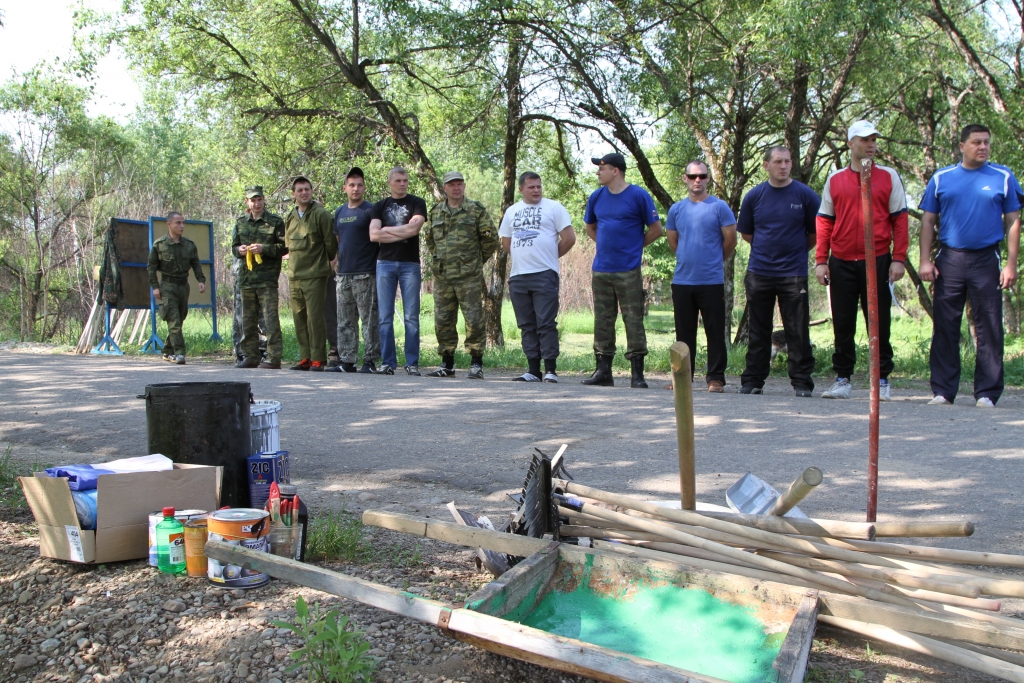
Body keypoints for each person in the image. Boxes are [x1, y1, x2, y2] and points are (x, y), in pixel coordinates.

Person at [919, 124, 1021, 407]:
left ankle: (987, 393)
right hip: (950, 258)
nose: (983, 147)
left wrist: (1011, 265)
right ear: (962, 146)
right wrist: (925, 259)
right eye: (976, 142)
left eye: (987, 142)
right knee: (945, 325)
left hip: (986, 258)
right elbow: (928, 221)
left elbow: (1013, 221)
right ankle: (942, 391)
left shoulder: (1003, 176)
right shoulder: (942, 178)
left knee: (989, 324)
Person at [815, 120, 908, 401]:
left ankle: (881, 380)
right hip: (841, 260)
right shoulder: (835, 179)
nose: (871, 145)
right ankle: (843, 379)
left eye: (874, 140)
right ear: (851, 143)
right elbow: (824, 221)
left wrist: (899, 259)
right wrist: (821, 260)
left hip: (877, 258)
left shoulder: (889, 176)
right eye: (865, 140)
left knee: (878, 322)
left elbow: (900, 220)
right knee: (843, 322)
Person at [738, 147, 820, 397]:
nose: (783, 166)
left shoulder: (806, 195)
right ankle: (753, 381)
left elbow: (814, 234)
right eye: (777, 161)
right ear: (766, 165)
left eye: (787, 161)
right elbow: (747, 234)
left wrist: (792, 254)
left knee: (797, 329)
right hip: (759, 272)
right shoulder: (754, 196)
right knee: (758, 330)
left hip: (793, 274)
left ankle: (802, 383)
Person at [581, 153, 663, 388]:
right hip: (601, 270)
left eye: (602, 168)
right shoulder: (596, 196)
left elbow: (656, 229)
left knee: (633, 320)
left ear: (615, 170)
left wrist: (633, 247)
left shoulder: (638, 195)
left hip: (628, 270)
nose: (598, 172)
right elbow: (590, 227)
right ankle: (603, 371)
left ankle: (637, 374)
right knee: (603, 321)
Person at [666, 161, 738, 393]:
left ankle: (715, 378)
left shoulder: (719, 207)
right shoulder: (676, 209)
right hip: (683, 281)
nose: (697, 180)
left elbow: (731, 240)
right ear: (685, 178)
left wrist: (714, 259)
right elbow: (673, 242)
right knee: (683, 334)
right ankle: (682, 378)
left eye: (702, 176)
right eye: (693, 176)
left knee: (715, 331)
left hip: (712, 280)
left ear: (708, 179)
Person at [500, 172, 576, 382]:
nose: (536, 190)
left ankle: (550, 370)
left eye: (539, 186)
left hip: (544, 275)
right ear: (521, 189)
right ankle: (533, 370)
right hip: (519, 276)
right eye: (531, 187)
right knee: (526, 324)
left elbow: (569, 238)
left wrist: (549, 256)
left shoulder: (554, 208)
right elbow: (506, 242)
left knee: (546, 323)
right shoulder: (512, 211)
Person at [423, 171, 499, 379]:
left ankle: (476, 363)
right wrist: (440, 259)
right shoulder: (436, 212)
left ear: (464, 186)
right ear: (445, 188)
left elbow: (491, 240)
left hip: (468, 277)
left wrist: (474, 262)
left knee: (474, 319)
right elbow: (430, 240)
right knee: (443, 320)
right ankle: (447, 364)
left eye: (460, 184)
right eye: (452, 184)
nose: (456, 188)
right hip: (443, 276)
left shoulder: (475, 210)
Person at [370, 166, 427, 375]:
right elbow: (374, 235)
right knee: (385, 316)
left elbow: (414, 229)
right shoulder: (379, 206)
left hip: (409, 264)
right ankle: (388, 362)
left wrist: (386, 230)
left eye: (405, 180)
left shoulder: (417, 203)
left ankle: (412, 363)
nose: (402, 183)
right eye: (398, 180)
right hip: (385, 264)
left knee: (411, 316)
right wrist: (400, 233)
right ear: (390, 182)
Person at [326, 167, 381, 374]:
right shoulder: (340, 212)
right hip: (344, 274)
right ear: (345, 188)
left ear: (364, 187)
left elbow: (377, 240)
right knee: (345, 320)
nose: (355, 189)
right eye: (351, 185)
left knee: (369, 320)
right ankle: (347, 361)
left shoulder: (370, 210)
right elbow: (339, 241)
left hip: (365, 273)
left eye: (359, 185)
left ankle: (370, 361)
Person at [284, 175, 337, 371]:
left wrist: (327, 262)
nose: (304, 192)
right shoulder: (291, 216)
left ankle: (318, 358)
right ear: (294, 194)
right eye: (300, 190)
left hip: (315, 274)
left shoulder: (321, 214)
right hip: (295, 275)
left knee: (315, 318)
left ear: (312, 191)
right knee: (299, 317)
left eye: (307, 189)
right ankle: (305, 357)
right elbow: (288, 245)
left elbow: (330, 244)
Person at [231, 185, 287, 369]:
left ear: (264, 200)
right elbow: (234, 247)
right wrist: (239, 251)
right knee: (247, 320)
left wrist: (264, 249)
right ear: (247, 202)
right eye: (253, 200)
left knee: (270, 320)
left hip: (267, 279)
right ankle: (251, 356)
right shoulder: (241, 223)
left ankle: (273, 358)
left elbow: (284, 247)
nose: (257, 203)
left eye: (259, 199)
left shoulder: (274, 222)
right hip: (246, 279)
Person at [147, 211, 206, 365]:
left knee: (179, 319)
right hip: (167, 286)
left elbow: (196, 264)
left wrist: (200, 280)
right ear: (169, 224)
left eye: (183, 223)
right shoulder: (159, 245)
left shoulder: (189, 245)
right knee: (173, 320)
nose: (181, 226)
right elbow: (151, 267)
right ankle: (179, 353)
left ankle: (168, 351)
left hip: (183, 286)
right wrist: (155, 287)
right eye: (178, 223)